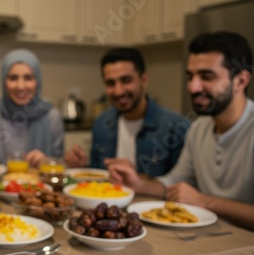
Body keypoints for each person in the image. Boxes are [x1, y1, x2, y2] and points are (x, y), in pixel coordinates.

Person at [109, 31, 254, 231]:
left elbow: (199, 200)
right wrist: (138, 183)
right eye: (191, 76)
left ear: (240, 81)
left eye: (206, 76)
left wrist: (205, 201)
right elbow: (174, 183)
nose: (193, 87)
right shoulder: (199, 128)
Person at [65, 48, 190, 177]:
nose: (118, 91)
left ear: (144, 80)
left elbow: (181, 186)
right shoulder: (101, 123)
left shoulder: (175, 127)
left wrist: (137, 178)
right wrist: (82, 168)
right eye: (110, 83)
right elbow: (99, 178)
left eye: (126, 80)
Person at [0, 49, 64, 167]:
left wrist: (46, 161)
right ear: (3, 81)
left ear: (38, 81)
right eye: (13, 78)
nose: (20, 86)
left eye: (28, 78)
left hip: (41, 184)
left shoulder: (51, 116)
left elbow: (60, 165)